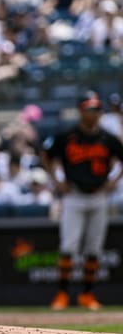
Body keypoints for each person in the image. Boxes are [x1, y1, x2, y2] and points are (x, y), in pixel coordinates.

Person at [43, 91, 123, 311]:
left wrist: (113, 181)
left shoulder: (107, 138)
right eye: (90, 109)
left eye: (97, 109)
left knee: (94, 249)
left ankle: (87, 295)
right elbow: (46, 156)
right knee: (68, 246)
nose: (94, 113)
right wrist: (57, 181)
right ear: (80, 110)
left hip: (99, 196)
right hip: (74, 195)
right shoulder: (67, 135)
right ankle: (62, 294)